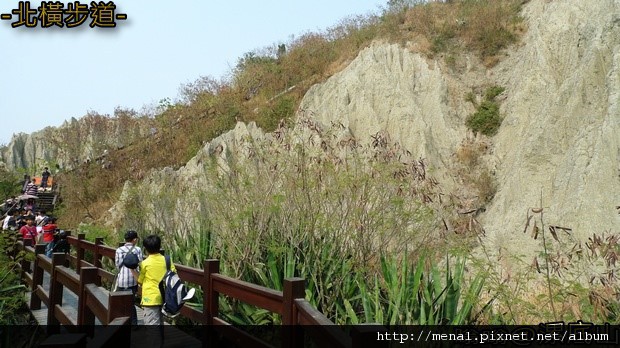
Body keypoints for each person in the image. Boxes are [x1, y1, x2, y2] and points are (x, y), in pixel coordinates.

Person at [133, 234, 174, 347]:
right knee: (159, 325)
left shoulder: (145, 263)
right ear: (159, 246)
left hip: (150, 298)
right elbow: (173, 276)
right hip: (164, 296)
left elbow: (140, 281)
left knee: (152, 327)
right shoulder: (167, 260)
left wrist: (132, 270)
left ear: (145, 249)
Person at [115, 230, 143, 326]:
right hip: (133, 280)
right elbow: (140, 264)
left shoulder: (119, 250)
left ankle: (120, 322)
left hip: (121, 280)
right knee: (131, 303)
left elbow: (117, 265)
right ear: (134, 240)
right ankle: (134, 323)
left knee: (120, 301)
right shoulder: (138, 250)